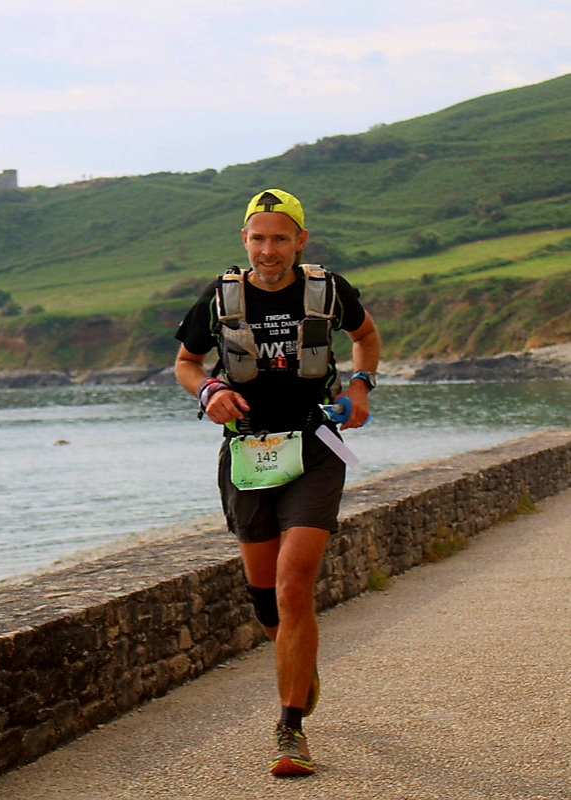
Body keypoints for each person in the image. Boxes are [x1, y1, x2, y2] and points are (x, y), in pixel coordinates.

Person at [174, 188, 381, 777]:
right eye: (259, 238)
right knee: (266, 600)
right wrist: (209, 391)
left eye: (281, 239)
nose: (269, 250)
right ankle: (298, 662)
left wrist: (360, 386)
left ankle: (290, 730)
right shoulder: (220, 298)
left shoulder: (328, 290)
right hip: (248, 454)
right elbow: (187, 364)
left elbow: (366, 337)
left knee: (293, 586)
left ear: (300, 241)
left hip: (315, 447)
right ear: (245, 240)